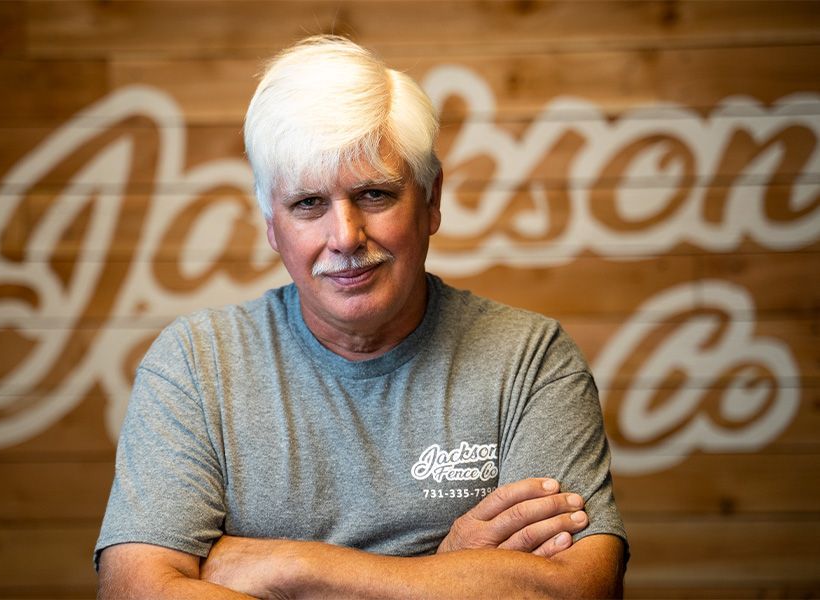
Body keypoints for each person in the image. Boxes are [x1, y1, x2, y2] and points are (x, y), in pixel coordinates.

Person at [95, 35, 628, 599]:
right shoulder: (195, 364)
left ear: (431, 200)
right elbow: (135, 591)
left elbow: (578, 591)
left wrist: (285, 569)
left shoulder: (531, 360)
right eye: (308, 204)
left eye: (374, 194)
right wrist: (446, 576)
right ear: (271, 225)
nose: (345, 237)